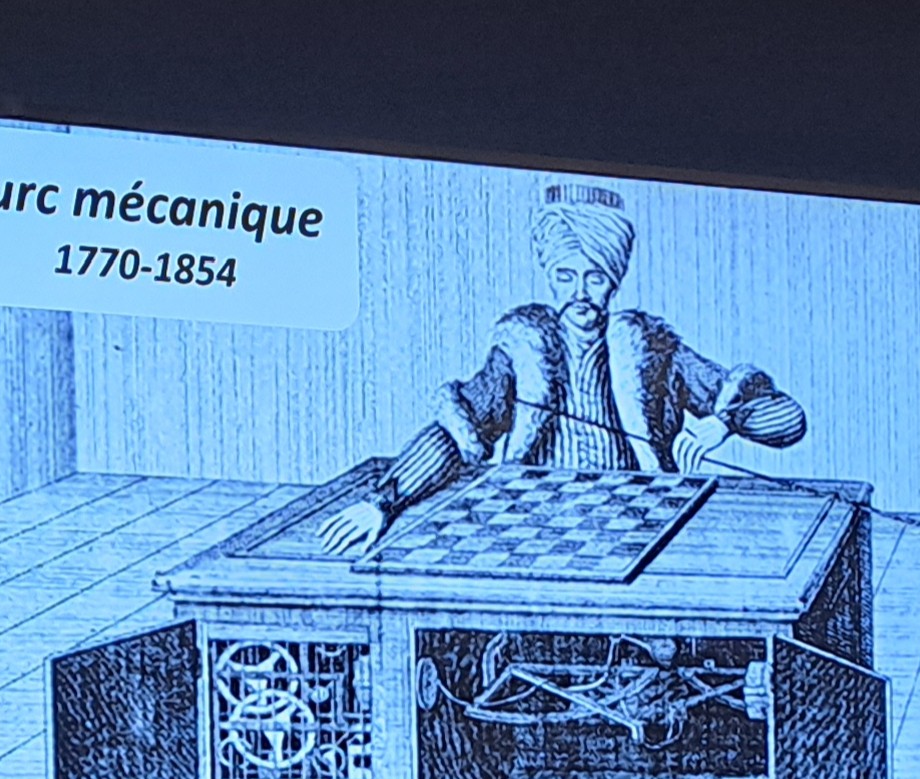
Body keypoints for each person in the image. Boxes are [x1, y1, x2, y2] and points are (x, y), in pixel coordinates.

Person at [317, 182, 809, 558]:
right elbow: (454, 432)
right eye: (565, 277)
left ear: (613, 280)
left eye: (594, 277)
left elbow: (787, 421)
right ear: (550, 276)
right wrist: (382, 503)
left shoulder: (651, 347)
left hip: (637, 522)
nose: (579, 292)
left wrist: (722, 422)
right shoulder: (525, 344)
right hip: (535, 523)